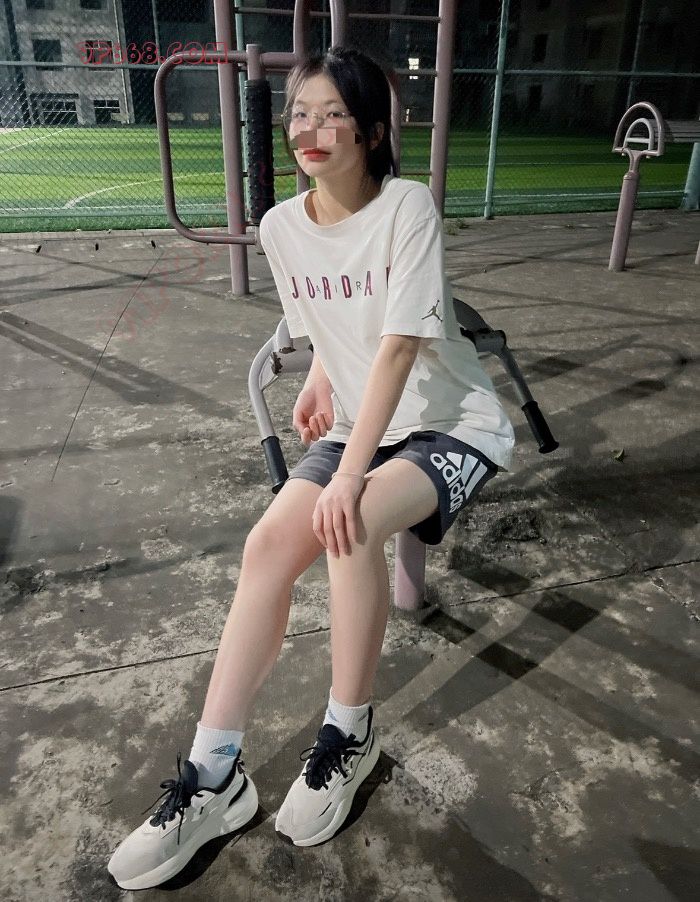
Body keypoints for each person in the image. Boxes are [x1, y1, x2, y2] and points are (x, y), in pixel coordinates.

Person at [107, 45, 514, 890]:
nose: (310, 129)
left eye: (333, 115)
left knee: (348, 522)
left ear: (371, 132)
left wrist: (348, 473)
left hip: (449, 423)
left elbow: (399, 345)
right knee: (266, 547)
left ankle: (350, 733)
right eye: (300, 113)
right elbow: (325, 321)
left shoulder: (406, 206)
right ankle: (214, 774)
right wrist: (323, 377)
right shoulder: (281, 227)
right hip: (365, 421)